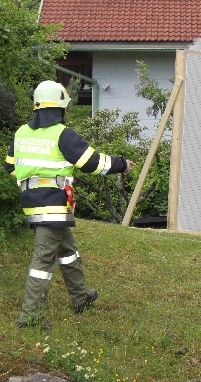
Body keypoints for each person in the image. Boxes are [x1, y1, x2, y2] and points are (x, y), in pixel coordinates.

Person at [4, 80, 136, 329]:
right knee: (43, 261)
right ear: (60, 107)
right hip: (52, 205)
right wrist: (121, 164)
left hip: (34, 203)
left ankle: (80, 298)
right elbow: (92, 162)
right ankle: (29, 316)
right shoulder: (61, 134)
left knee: (68, 251)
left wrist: (33, 179)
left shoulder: (21, 133)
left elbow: (10, 167)